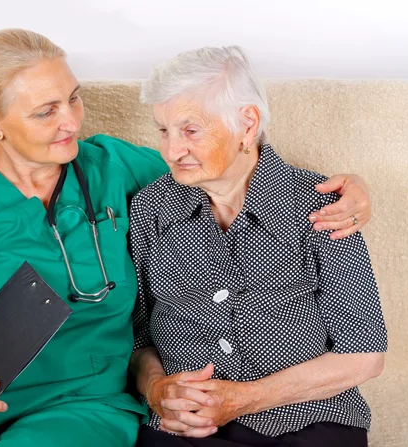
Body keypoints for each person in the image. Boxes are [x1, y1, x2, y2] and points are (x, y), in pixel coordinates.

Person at [0, 30, 372, 447]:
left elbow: (227, 166)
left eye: (73, 99)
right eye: (45, 111)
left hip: (81, 403)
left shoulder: (115, 168)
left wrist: (350, 189)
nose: (71, 122)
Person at [129, 46, 386, 447]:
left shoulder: (320, 207)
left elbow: (364, 355)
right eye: (163, 130)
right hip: (185, 427)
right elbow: (139, 340)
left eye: (190, 130)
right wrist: (158, 390)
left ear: (247, 125)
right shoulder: (150, 209)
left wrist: (246, 399)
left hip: (307, 421)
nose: (171, 150)